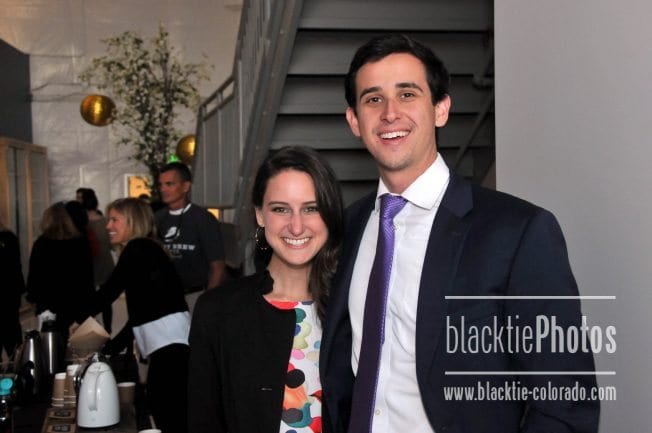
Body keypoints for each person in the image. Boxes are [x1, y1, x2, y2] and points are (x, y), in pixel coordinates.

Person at [319, 34, 600, 433]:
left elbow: (565, 402)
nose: (390, 113)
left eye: (407, 94)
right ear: (354, 121)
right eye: (373, 99)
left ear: (441, 109)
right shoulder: (348, 228)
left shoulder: (518, 232)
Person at [187, 146, 344, 433]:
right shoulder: (218, 311)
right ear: (260, 214)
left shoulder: (353, 307)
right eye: (280, 209)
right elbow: (203, 421)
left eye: (311, 208)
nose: (296, 226)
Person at [80, 198, 190, 433]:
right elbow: (142, 311)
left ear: (132, 221)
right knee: (169, 414)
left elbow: (108, 292)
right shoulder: (146, 249)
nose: (108, 226)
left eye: (115, 220)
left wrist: (71, 317)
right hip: (172, 345)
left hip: (170, 347)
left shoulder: (137, 248)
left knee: (168, 414)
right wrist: (112, 346)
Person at [155, 162, 226, 313]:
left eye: (169, 184)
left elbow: (218, 266)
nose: (163, 189)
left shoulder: (203, 219)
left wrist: (207, 302)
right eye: (160, 185)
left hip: (194, 296)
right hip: (163, 297)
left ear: (186, 186)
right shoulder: (157, 219)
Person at [26, 202, 95, 342]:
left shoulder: (41, 243)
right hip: (75, 302)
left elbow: (35, 275)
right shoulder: (80, 242)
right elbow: (87, 277)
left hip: (48, 303)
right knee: (75, 344)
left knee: (51, 343)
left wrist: (32, 298)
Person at [76, 187, 115, 333]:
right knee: (104, 300)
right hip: (101, 262)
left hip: (93, 264)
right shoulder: (103, 221)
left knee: (95, 299)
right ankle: (105, 330)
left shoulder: (82, 223)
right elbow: (111, 244)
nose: (77, 200)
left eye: (80, 197)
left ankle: (96, 331)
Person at [0, 221, 25, 361]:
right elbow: (16, 268)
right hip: (10, 295)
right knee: (14, 345)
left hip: (8, 295)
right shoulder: (10, 238)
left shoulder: (8, 238)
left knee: (13, 343)